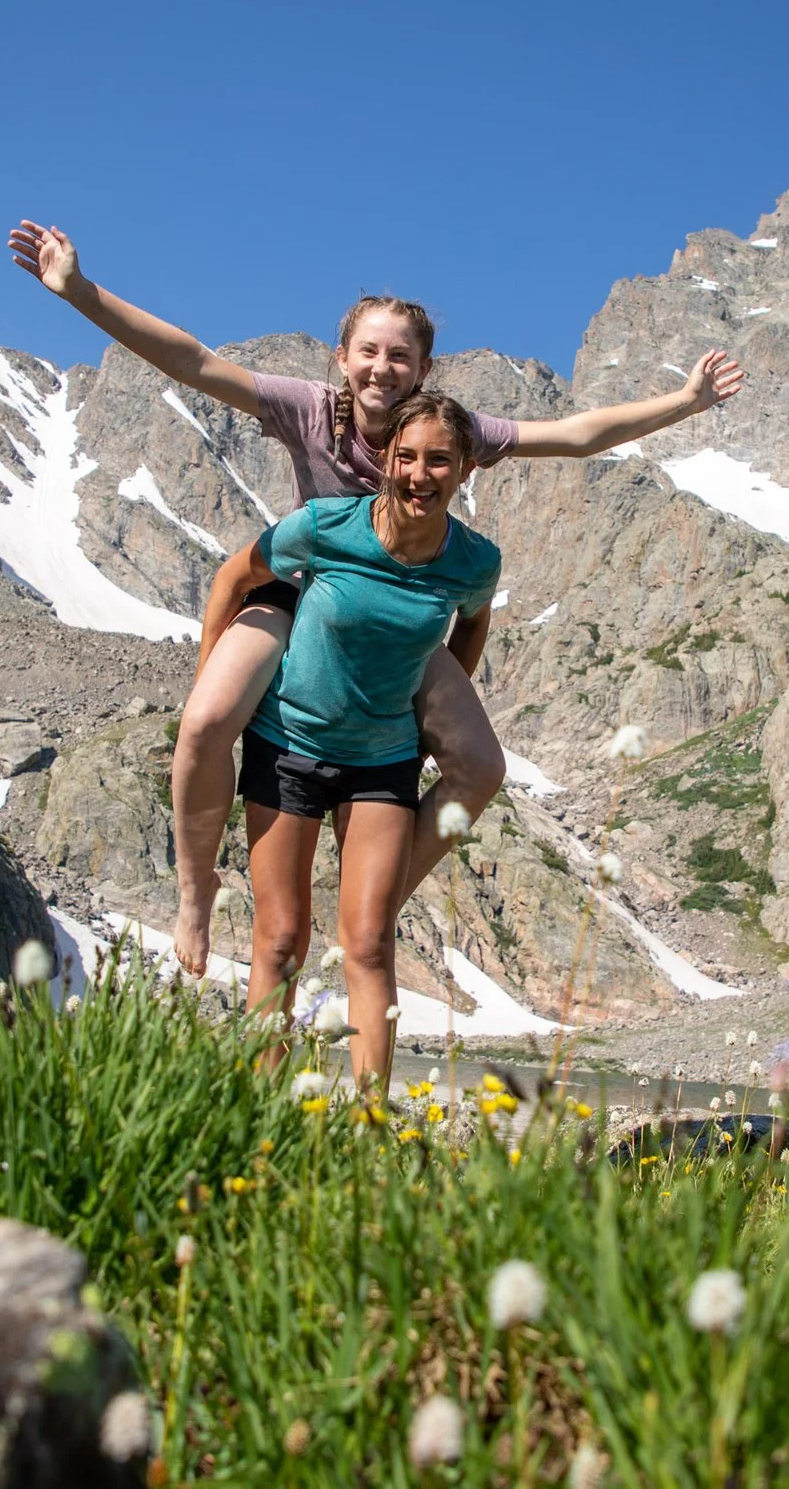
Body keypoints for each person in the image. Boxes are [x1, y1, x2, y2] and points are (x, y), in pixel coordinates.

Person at [7, 219, 744, 975]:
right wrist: (78, 291)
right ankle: (196, 890)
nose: (381, 367)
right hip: (301, 600)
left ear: (422, 370)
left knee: (482, 765)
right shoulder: (308, 408)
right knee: (202, 723)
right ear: (343, 358)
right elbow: (193, 360)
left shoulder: (446, 432)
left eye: (400, 355)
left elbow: (578, 435)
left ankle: (378, 903)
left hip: (398, 625)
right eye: (368, 351)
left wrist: (684, 401)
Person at [203, 392, 498, 1086]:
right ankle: (261, 1115)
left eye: (438, 461)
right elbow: (236, 577)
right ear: (386, 459)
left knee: (367, 942)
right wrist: (210, 677)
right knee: (280, 940)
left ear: (463, 472)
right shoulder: (328, 526)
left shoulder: (474, 562)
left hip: (384, 761)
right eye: (405, 457)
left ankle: (368, 1127)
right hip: (289, 745)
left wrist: (433, 717)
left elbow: (473, 623)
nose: (419, 474)